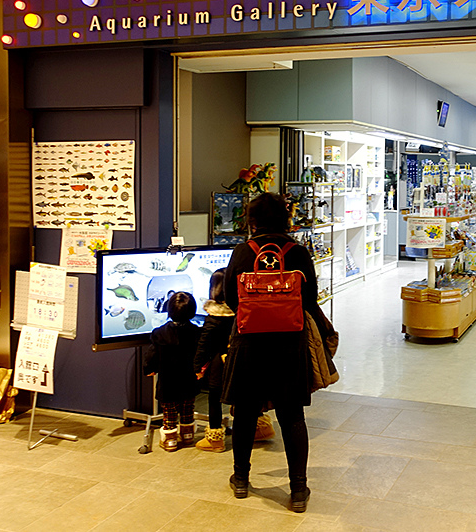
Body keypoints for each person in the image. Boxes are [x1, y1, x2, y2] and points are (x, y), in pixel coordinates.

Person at [221, 192, 336, 513]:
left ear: (252, 220)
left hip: (249, 343)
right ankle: (298, 490)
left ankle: (241, 480)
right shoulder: (298, 252)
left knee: (245, 412)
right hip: (290, 343)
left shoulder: (242, 252)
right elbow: (310, 298)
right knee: (292, 417)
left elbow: (231, 297)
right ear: (286, 219)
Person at [194, 268, 278, 452]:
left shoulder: (213, 318)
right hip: (244, 359)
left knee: (215, 399)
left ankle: (215, 438)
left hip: (220, 364)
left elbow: (204, 345)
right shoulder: (244, 309)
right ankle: (261, 428)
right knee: (248, 395)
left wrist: (197, 366)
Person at [142, 291, 202, 452]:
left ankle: (170, 439)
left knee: (169, 411)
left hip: (168, 381)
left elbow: (151, 354)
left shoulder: (159, 333)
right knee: (187, 407)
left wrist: (149, 369)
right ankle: (188, 434)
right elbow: (200, 354)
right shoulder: (196, 332)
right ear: (192, 310)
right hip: (189, 379)